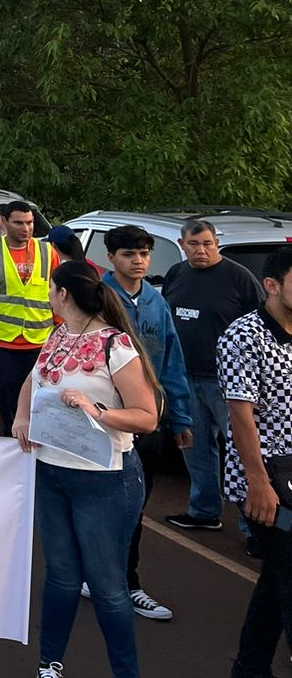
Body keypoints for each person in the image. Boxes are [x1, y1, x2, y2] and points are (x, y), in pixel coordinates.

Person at [11, 260, 159, 678]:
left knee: (108, 584)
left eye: (51, 289)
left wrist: (97, 410)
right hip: (52, 471)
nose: (47, 295)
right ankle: (50, 663)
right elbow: (32, 381)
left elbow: (146, 417)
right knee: (60, 575)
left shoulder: (117, 346)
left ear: (64, 294)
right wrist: (23, 416)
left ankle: (125, 671)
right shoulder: (59, 335)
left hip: (105, 478)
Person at [102, 224, 193, 622]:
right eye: (128, 254)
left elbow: (172, 361)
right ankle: (105, 576)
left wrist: (181, 417)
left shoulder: (157, 302)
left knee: (135, 503)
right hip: (104, 419)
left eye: (144, 254)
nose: (137, 261)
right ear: (112, 258)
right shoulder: (98, 299)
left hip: (149, 420)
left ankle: (127, 580)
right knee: (102, 502)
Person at [163, 216, 264, 532]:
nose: (201, 250)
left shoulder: (239, 278)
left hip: (229, 383)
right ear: (183, 245)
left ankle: (256, 529)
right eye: (194, 244)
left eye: (207, 243)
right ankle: (204, 511)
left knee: (242, 451)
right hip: (185, 379)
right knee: (196, 449)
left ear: (216, 243)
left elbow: (259, 327)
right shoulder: (176, 275)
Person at [220, 246, 292, 677]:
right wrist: (257, 482)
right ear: (271, 285)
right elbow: (240, 413)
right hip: (269, 477)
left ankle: (249, 668)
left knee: (276, 581)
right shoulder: (243, 337)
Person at [0, 200, 61, 433]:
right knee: (7, 397)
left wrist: (62, 332)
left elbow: (60, 296)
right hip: (4, 342)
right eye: (19, 222)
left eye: (30, 223)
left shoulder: (48, 252)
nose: (26, 228)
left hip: (41, 341)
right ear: (5, 223)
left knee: (42, 398)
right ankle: (12, 443)